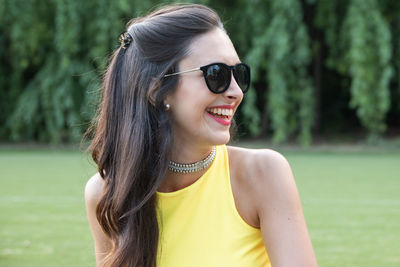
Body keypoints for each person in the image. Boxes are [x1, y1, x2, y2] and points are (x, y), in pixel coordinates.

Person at [84, 3, 318, 267]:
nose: (236, 92)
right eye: (216, 74)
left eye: (238, 75)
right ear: (156, 88)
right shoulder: (107, 194)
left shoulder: (263, 174)